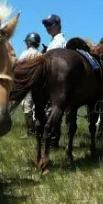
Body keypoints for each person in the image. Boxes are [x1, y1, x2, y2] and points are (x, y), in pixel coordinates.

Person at [41, 14, 66, 148]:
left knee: (53, 111)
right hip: (51, 80)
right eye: (45, 25)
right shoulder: (53, 41)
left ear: (57, 24)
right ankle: (52, 141)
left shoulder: (59, 42)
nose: (47, 28)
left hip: (54, 81)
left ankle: (53, 142)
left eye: (49, 24)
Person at [18, 32, 43, 138]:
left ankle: (31, 132)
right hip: (39, 85)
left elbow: (18, 66)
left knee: (27, 107)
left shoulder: (25, 53)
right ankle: (38, 131)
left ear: (29, 42)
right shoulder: (41, 55)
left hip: (28, 84)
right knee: (36, 108)